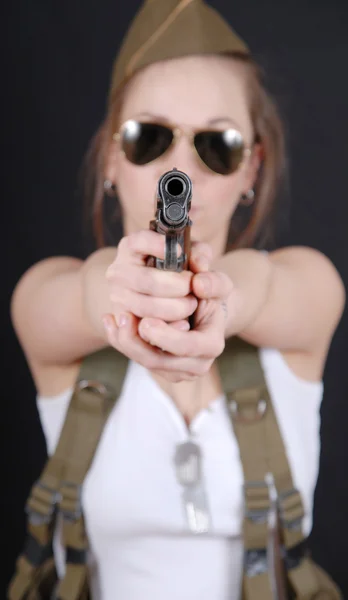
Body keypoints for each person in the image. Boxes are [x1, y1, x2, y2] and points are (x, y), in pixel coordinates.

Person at [10, 0, 345, 599]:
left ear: (251, 170)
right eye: (150, 137)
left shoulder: (300, 292)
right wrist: (115, 294)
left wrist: (222, 301)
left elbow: (276, 287)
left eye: (218, 143)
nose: (181, 169)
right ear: (112, 156)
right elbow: (64, 300)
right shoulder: (56, 302)